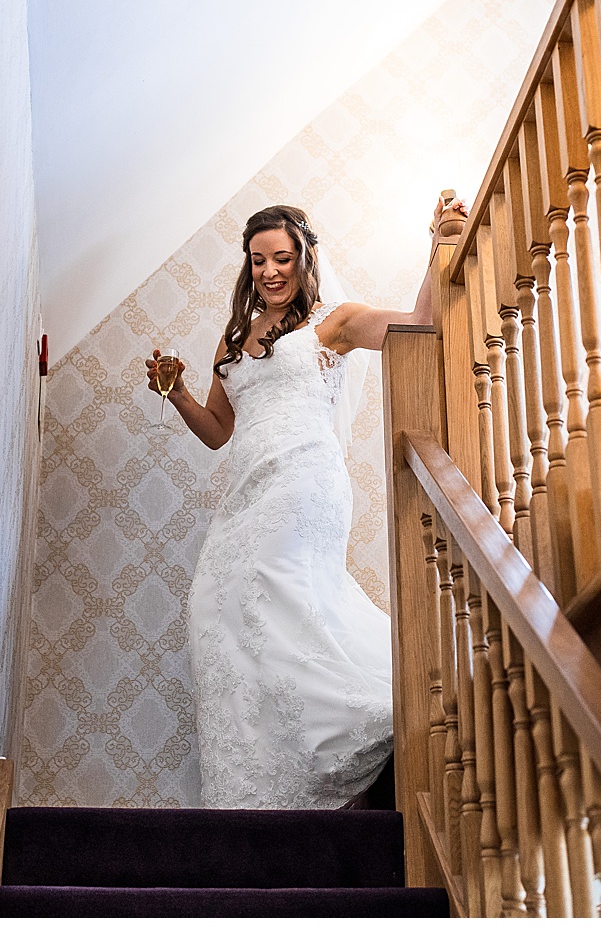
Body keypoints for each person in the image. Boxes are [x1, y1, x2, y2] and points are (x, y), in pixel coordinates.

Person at [148, 198, 466, 808]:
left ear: (305, 257)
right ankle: (264, 787)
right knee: (217, 608)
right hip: (246, 490)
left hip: (303, 482)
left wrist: (438, 247)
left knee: (285, 602)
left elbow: (419, 321)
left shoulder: (335, 322)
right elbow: (219, 429)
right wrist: (179, 391)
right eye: (259, 260)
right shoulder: (238, 336)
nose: (271, 271)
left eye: (283, 258)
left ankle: (380, 714)